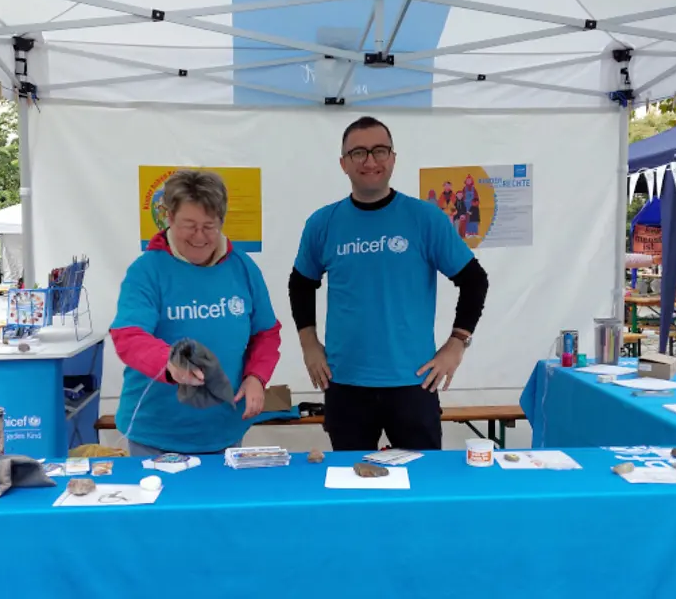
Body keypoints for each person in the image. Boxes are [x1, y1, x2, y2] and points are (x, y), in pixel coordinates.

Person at [288, 116, 490, 452]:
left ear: (393, 158)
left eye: (379, 150)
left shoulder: (424, 219)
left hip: (413, 382)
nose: (370, 161)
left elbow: (474, 280)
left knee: (421, 490)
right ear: (343, 164)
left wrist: (457, 344)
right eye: (358, 153)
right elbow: (300, 284)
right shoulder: (323, 223)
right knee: (351, 489)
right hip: (345, 382)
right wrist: (309, 345)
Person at [110, 170, 282, 457]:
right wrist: (169, 363)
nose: (200, 237)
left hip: (224, 430)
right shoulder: (147, 270)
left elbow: (265, 332)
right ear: (169, 218)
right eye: (189, 225)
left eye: (209, 226)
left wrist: (256, 376)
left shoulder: (243, 268)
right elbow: (128, 336)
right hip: (156, 434)